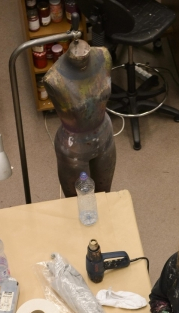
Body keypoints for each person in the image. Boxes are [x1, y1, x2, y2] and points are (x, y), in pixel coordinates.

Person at [44, 39, 116, 198]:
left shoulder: (104, 55)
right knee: (79, 203)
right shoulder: (53, 78)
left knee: (105, 197)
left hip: (105, 134)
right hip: (74, 146)